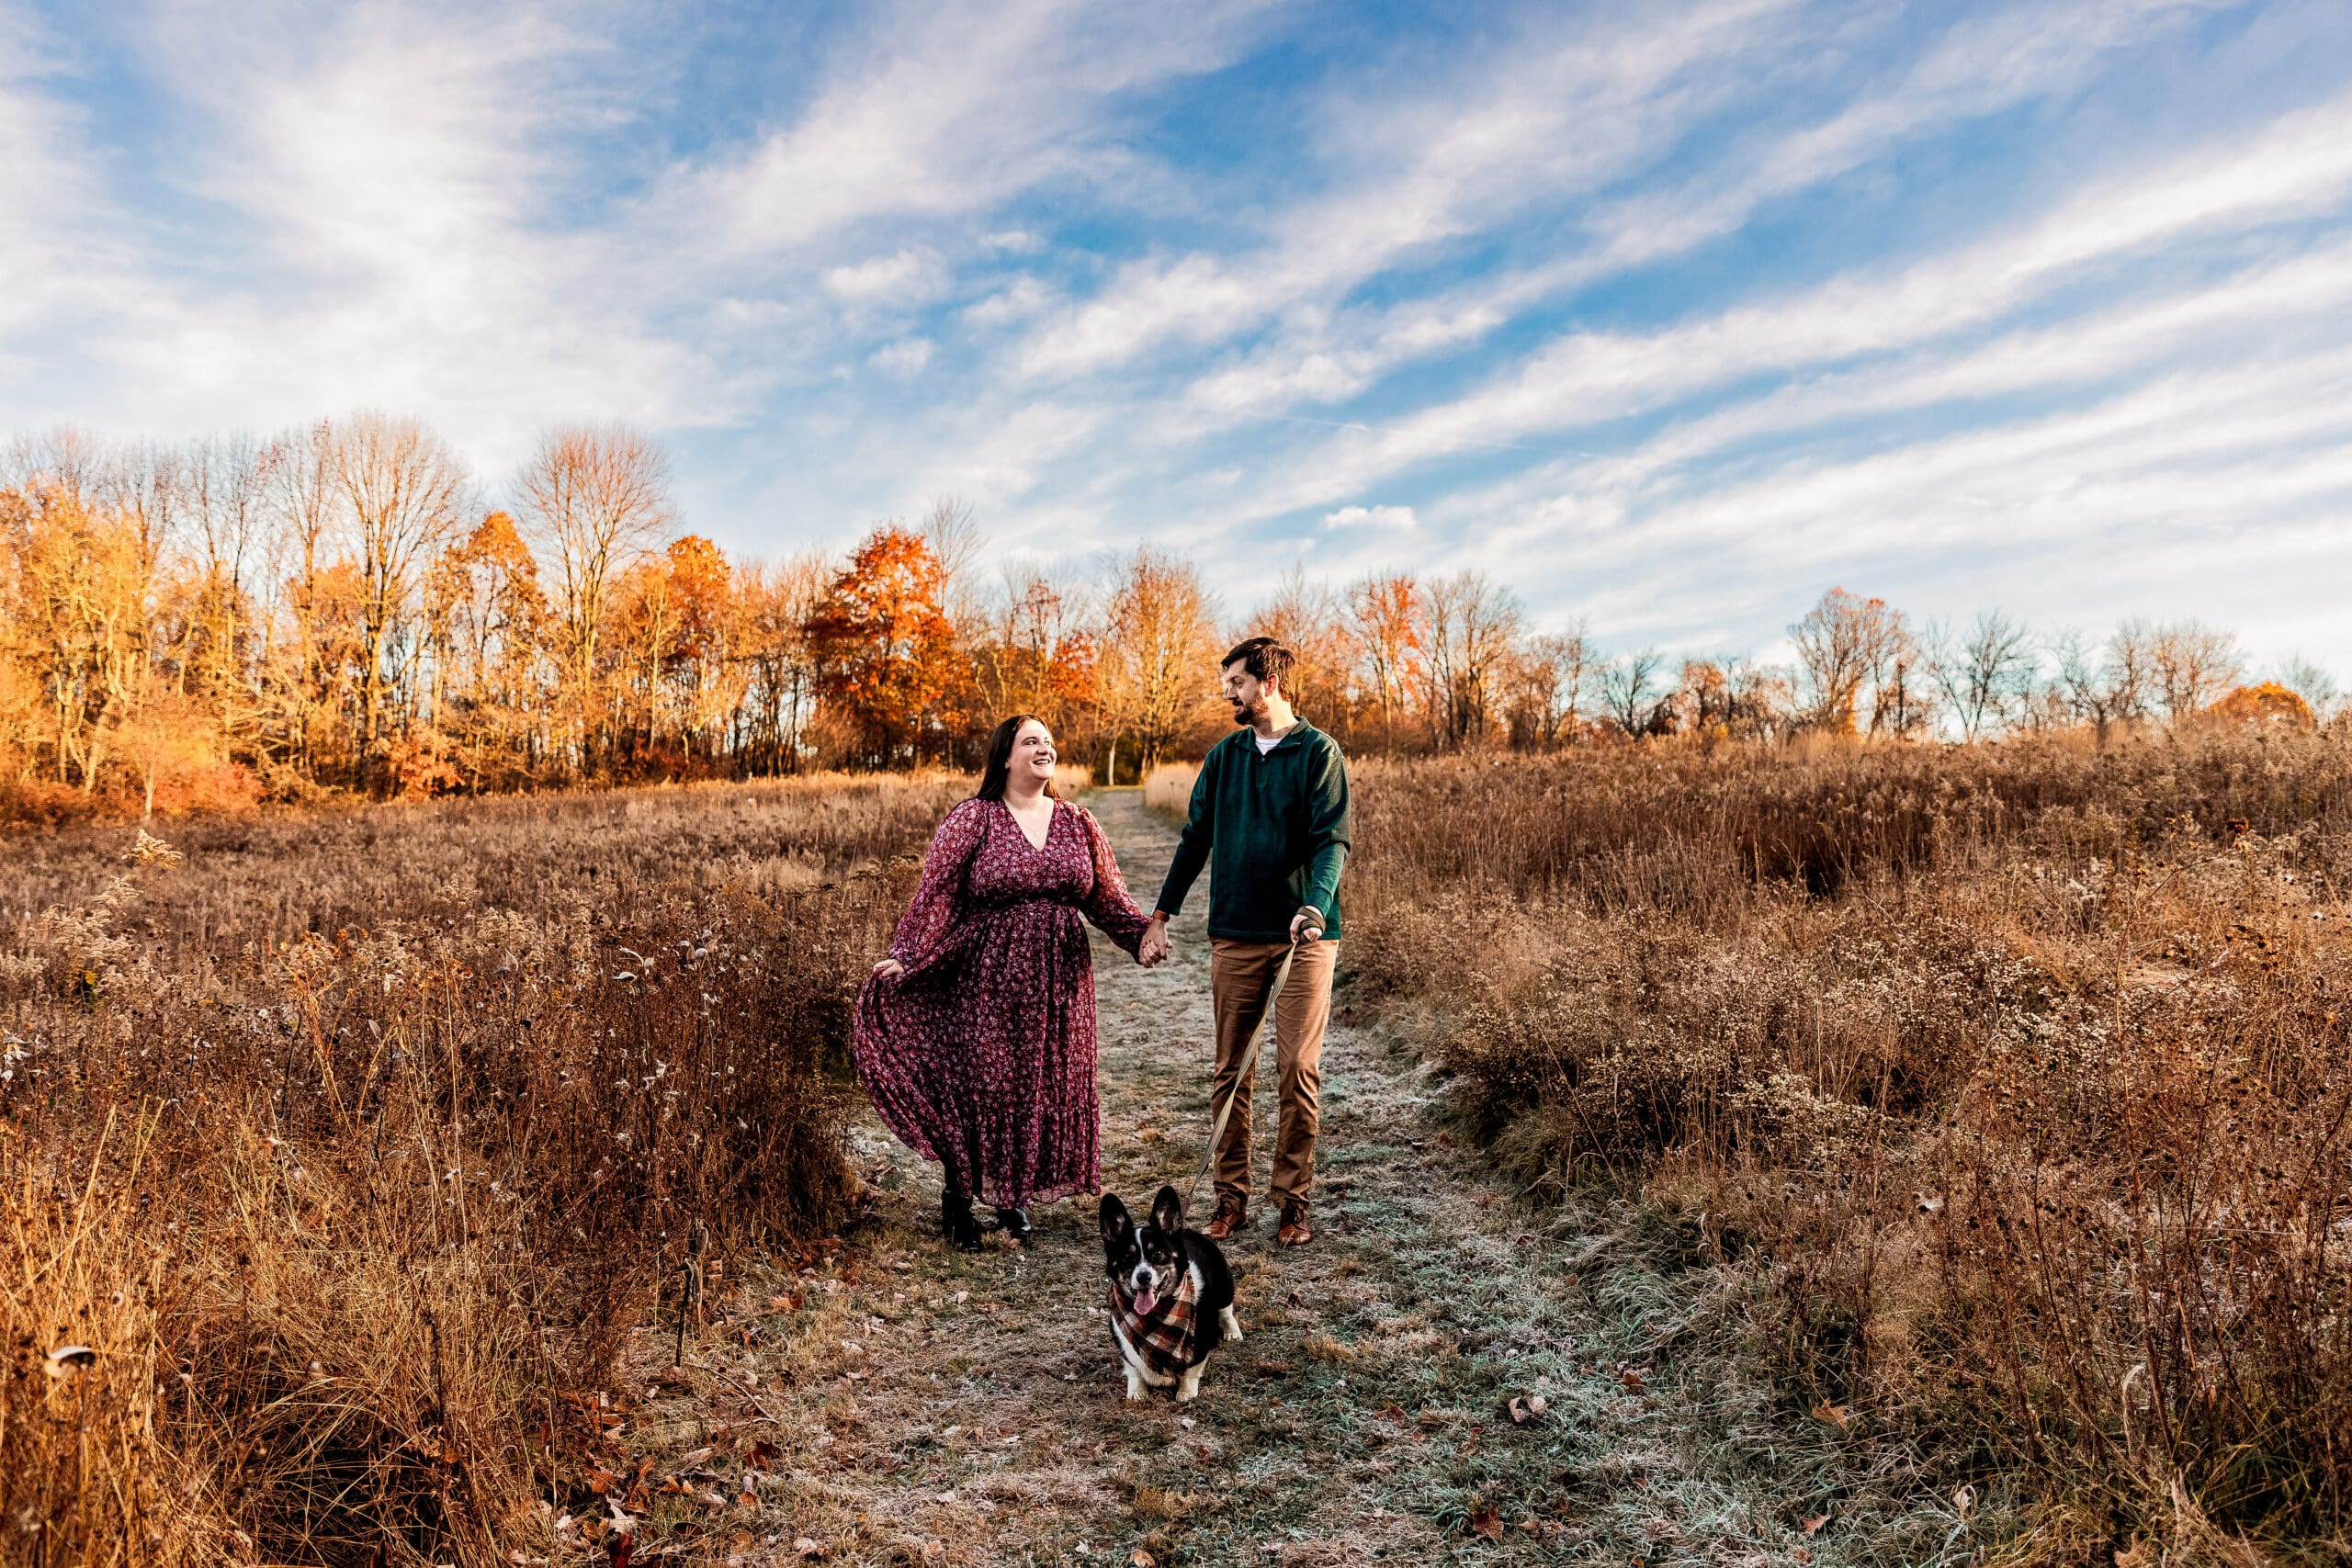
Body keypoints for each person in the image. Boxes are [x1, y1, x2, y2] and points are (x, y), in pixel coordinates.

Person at [853, 715, 1156, 1251]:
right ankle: (959, 1203)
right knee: (984, 1084)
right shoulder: (975, 818)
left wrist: (1141, 937)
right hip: (987, 972)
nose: (1045, 747)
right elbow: (938, 894)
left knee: (1039, 1084)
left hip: (1060, 979)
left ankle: (1014, 1199)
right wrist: (908, 955)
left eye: (1048, 739)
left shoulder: (1077, 822)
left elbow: (1107, 899)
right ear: (1006, 758)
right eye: (1031, 741)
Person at [1139, 637, 1350, 1247]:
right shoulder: (1225, 757)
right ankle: (1230, 1200)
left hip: (1304, 938)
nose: (1227, 691)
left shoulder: (1318, 753)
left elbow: (1331, 839)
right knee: (1231, 1072)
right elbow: (1194, 839)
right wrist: (1162, 912)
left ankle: (1293, 1203)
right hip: (1233, 933)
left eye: (1235, 680)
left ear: (1268, 682)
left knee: (1298, 1072)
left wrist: (1316, 902)